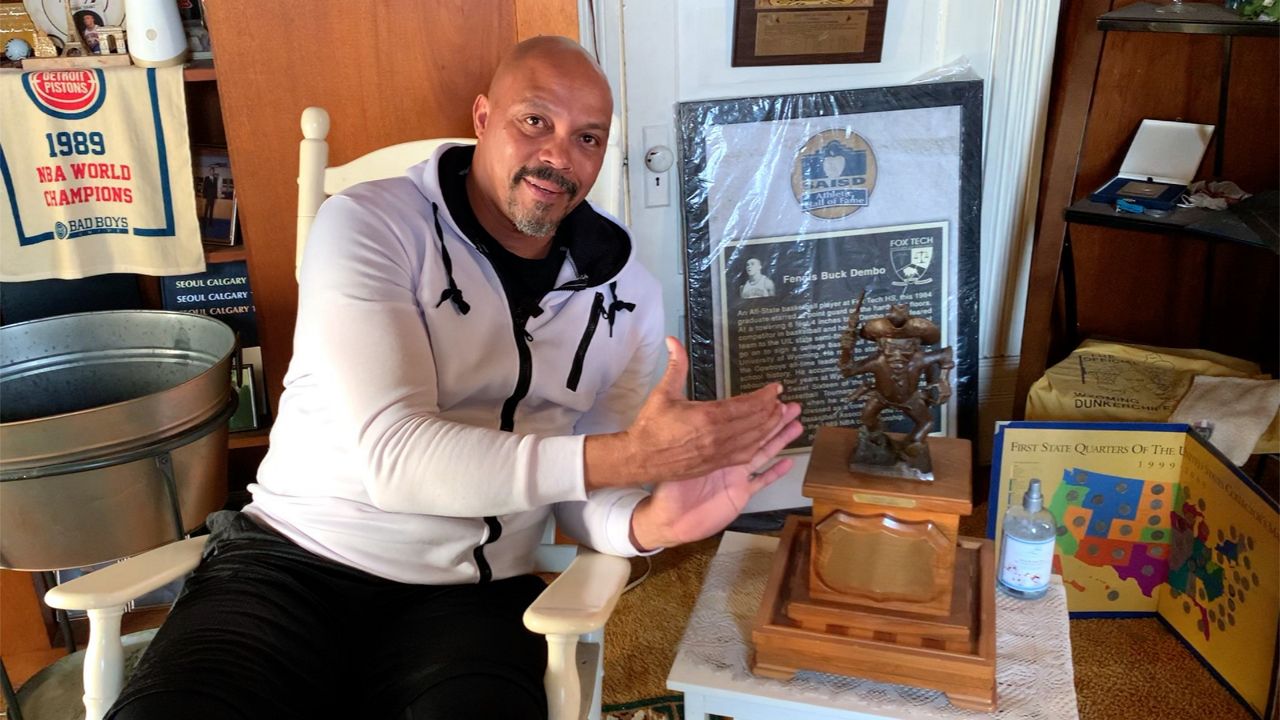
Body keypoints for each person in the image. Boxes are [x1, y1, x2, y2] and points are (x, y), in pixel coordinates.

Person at [108, 36, 801, 720]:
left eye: (589, 138)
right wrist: (630, 457)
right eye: (535, 121)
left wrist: (647, 521)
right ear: (481, 119)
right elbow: (396, 459)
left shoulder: (632, 300)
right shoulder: (369, 226)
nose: (559, 156)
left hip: (471, 591)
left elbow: (580, 491)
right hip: (291, 561)